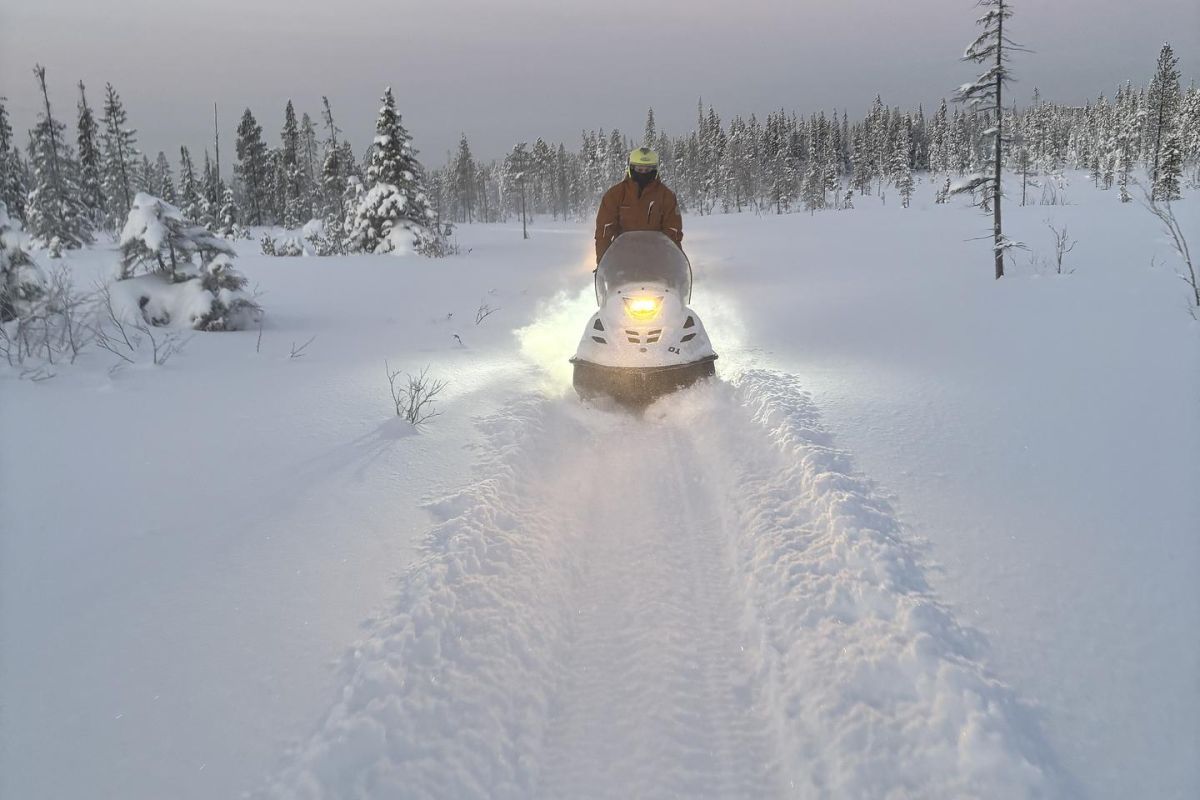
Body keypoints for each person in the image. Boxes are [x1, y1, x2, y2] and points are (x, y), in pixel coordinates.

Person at [594, 147, 683, 264]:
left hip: (657, 261)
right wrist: (603, 262)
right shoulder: (615, 195)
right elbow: (604, 231)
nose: (643, 173)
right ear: (631, 168)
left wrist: (675, 263)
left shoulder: (666, 196)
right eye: (639, 169)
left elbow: (673, 232)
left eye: (648, 170)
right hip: (622, 260)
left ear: (655, 170)